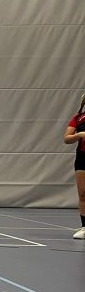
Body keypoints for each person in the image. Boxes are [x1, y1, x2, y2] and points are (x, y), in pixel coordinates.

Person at [63, 93, 85, 239]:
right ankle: (84, 227)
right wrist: (79, 135)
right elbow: (67, 138)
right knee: (83, 193)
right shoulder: (78, 118)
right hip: (82, 158)